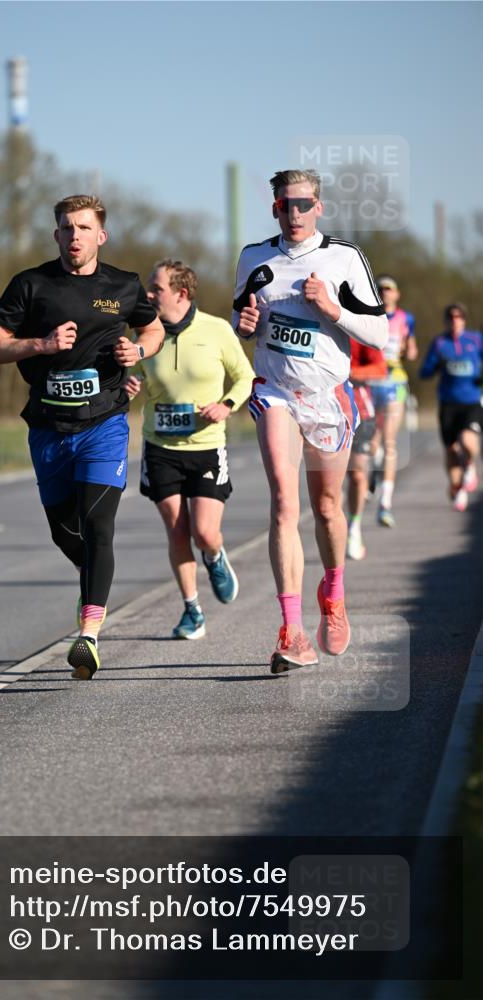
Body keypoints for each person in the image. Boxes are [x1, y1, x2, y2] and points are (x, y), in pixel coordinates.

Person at [0, 194, 164, 679]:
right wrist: (40, 344)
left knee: (98, 525)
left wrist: (137, 352)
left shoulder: (123, 285)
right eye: (67, 228)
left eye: (84, 228)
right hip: (48, 427)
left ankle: (89, 633)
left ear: (100, 235)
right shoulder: (30, 285)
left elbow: (154, 329)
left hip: (104, 421)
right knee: (66, 533)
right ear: (56, 234)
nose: (75, 236)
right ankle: (96, 583)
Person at [233, 169, 388, 673]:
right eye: (284, 205)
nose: (294, 214)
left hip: (328, 398)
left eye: (303, 204)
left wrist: (333, 308)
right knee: (284, 499)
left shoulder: (343, 258)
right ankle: (292, 631)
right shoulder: (255, 258)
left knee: (326, 508)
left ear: (318, 207)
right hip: (275, 391)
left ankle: (334, 591)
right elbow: (243, 319)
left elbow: (380, 334)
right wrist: (244, 325)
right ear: (274, 208)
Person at [125, 259, 255, 639]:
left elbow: (245, 377)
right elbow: (131, 376)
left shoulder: (216, 330)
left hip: (207, 446)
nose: (148, 295)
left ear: (181, 293)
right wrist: (128, 387)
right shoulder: (145, 336)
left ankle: (214, 556)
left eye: (156, 289)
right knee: (177, 531)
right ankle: (192, 611)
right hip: (160, 446)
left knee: (204, 532)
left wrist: (226, 405)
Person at [419, 302, 483, 512]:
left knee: (468, 441)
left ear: (464, 319)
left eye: (459, 317)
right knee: (451, 450)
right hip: (448, 404)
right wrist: (436, 365)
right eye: (451, 317)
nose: (455, 320)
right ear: (446, 320)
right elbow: (424, 373)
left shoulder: (475, 340)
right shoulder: (439, 343)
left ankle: (470, 466)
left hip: (471, 401)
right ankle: (459, 488)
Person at [367, 275, 418, 528]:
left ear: (396, 294)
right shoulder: (368, 316)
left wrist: (410, 350)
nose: (385, 293)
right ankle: (374, 473)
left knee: (389, 440)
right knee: (372, 443)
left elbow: (412, 348)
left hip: (395, 380)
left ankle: (385, 503)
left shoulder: (406, 318)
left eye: (389, 289)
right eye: (381, 289)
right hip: (370, 382)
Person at [346, 340, 388, 560]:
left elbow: (380, 369)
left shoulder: (357, 326)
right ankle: (335, 527)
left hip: (360, 411)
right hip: (323, 412)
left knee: (357, 473)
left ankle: (354, 527)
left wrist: (348, 371)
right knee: (329, 483)